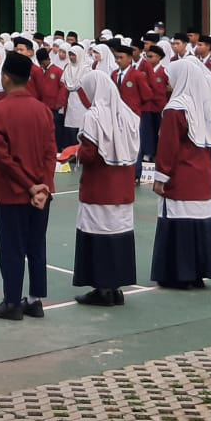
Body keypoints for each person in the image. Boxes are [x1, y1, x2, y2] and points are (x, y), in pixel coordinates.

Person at [0, 51, 56, 321]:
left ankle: (12, 302)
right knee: (36, 246)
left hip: (13, 193)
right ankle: (35, 301)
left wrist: (28, 187)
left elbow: (3, 159)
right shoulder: (43, 110)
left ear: (5, 77)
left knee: (12, 249)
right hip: (41, 195)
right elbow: (51, 152)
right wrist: (44, 186)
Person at [150, 56, 211, 290]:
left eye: (170, 79)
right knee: (198, 222)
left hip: (181, 175)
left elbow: (168, 147)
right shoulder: (202, 106)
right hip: (200, 175)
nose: (167, 84)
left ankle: (179, 274)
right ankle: (197, 273)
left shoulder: (175, 109)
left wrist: (161, 177)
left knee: (178, 221)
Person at [72, 70, 139, 307]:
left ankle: (101, 288)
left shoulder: (94, 116)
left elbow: (90, 154)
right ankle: (115, 287)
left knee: (98, 235)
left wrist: (75, 152)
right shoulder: (128, 114)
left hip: (99, 186)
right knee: (118, 234)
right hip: (122, 188)